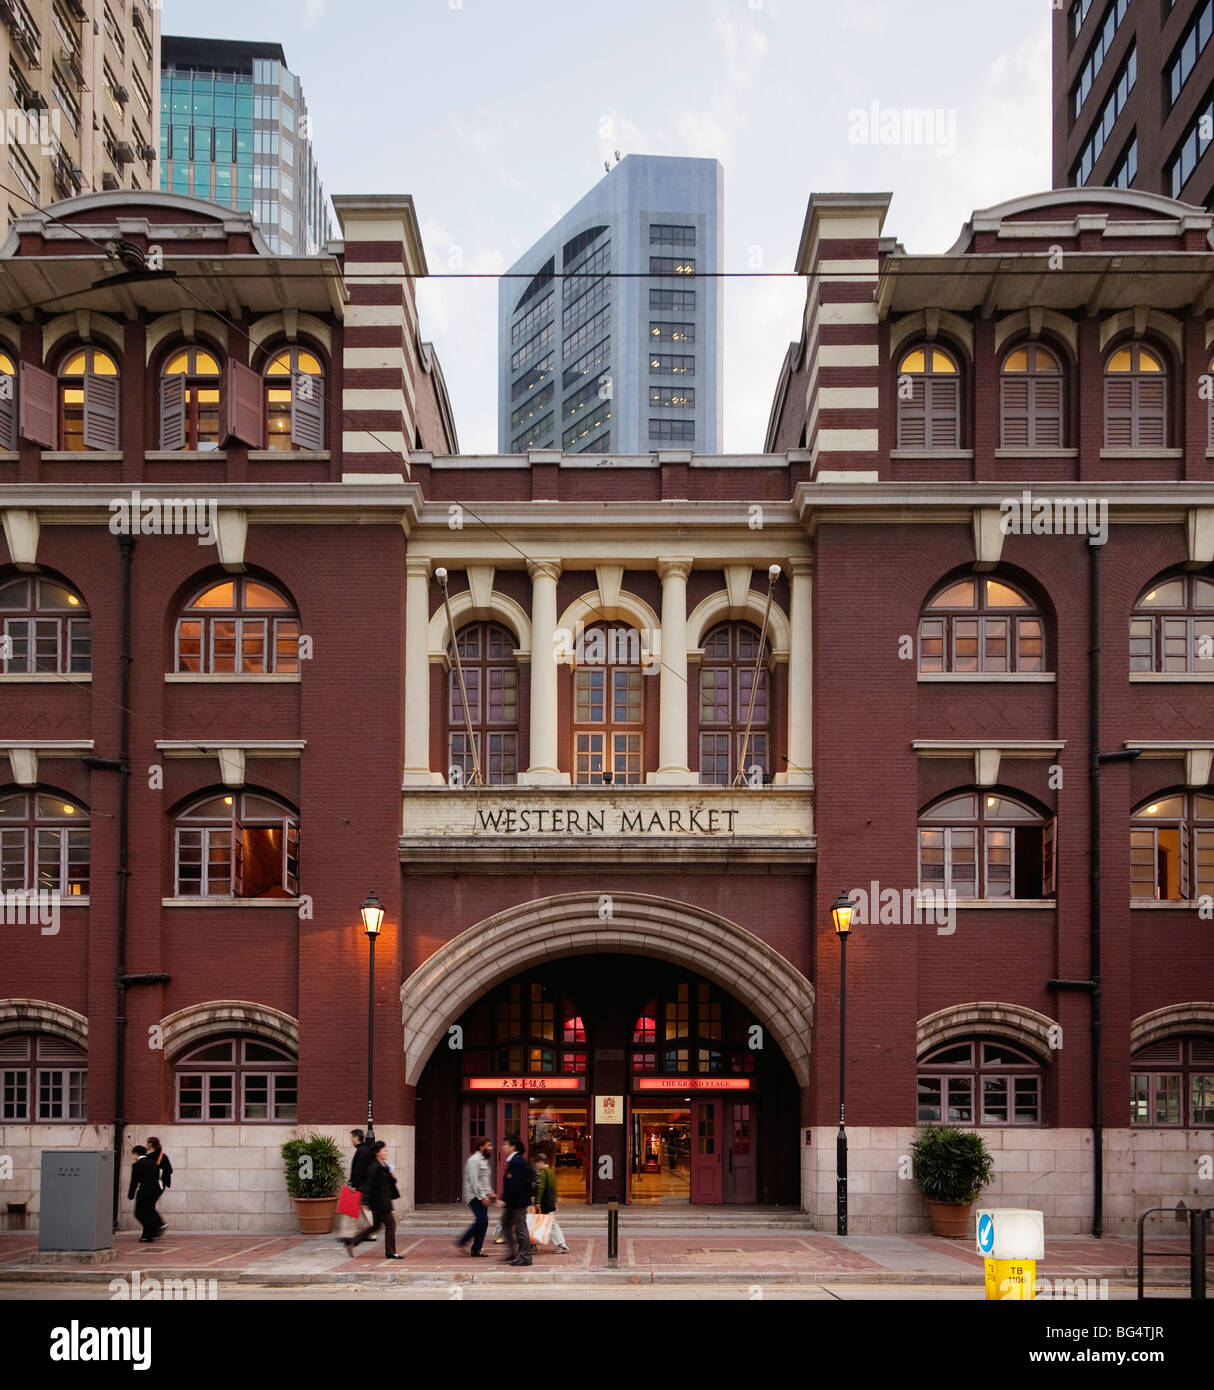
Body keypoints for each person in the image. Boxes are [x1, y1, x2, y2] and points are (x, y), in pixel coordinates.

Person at [343, 1140, 402, 1260]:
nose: (386, 1152)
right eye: (384, 1150)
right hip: (380, 1201)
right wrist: (365, 1201)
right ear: (378, 1152)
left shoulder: (384, 1166)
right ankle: (391, 1252)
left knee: (376, 1226)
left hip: (383, 1199)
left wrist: (392, 1177)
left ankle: (353, 1242)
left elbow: (389, 1183)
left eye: (386, 1150)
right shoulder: (374, 1167)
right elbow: (368, 1185)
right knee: (391, 1224)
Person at [499, 1134, 535, 1266]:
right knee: (505, 1223)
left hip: (517, 1201)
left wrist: (504, 1200)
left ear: (513, 1147)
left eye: (505, 1145)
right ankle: (512, 1252)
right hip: (514, 1201)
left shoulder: (517, 1162)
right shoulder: (515, 1161)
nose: (503, 1147)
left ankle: (525, 1257)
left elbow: (515, 1184)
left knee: (521, 1228)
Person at [456, 1139, 495, 1257]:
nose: (491, 1148)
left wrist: (491, 1193)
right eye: (489, 1145)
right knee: (482, 1220)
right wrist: (483, 1197)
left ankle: (476, 1249)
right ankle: (463, 1241)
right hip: (474, 1195)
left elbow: (484, 1180)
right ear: (481, 1147)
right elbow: (474, 1181)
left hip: (481, 1195)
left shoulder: (483, 1160)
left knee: (483, 1221)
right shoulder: (474, 1160)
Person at [533, 1154, 570, 1254]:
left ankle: (562, 1244)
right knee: (546, 1223)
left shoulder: (543, 1173)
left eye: (536, 1163)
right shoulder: (551, 1172)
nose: (536, 1166)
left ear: (540, 1162)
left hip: (544, 1203)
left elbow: (541, 1188)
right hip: (550, 1202)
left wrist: (538, 1202)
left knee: (550, 1224)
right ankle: (533, 1243)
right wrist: (555, 1202)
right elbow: (554, 1189)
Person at [128, 1146, 163, 1243]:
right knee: (150, 1212)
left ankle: (150, 1232)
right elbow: (159, 1178)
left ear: (136, 1153)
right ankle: (148, 1234)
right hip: (154, 1191)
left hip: (144, 1191)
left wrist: (131, 1194)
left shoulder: (137, 1165)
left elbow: (134, 1181)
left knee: (139, 1213)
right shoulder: (154, 1163)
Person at [348, 1128, 376, 1240]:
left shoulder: (361, 1151)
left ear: (356, 1138)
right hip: (364, 1184)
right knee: (363, 1209)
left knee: (365, 1208)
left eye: (352, 1138)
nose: (351, 1140)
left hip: (363, 1185)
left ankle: (371, 1232)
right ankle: (369, 1232)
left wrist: (354, 1184)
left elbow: (359, 1170)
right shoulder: (364, 1149)